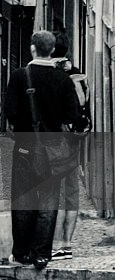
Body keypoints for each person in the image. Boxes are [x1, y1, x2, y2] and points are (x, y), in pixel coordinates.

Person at [5, 30, 80, 271]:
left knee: (24, 200)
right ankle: (41, 255)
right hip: (53, 150)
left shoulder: (19, 76)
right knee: (48, 202)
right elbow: (73, 116)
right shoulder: (63, 79)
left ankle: (21, 253)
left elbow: (10, 113)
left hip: (25, 148)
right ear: (52, 51)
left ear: (33, 49)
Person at [51, 33, 92, 261]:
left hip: (55, 140)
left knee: (53, 192)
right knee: (71, 193)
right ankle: (67, 244)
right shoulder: (78, 74)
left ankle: (56, 244)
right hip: (74, 139)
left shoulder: (51, 76)